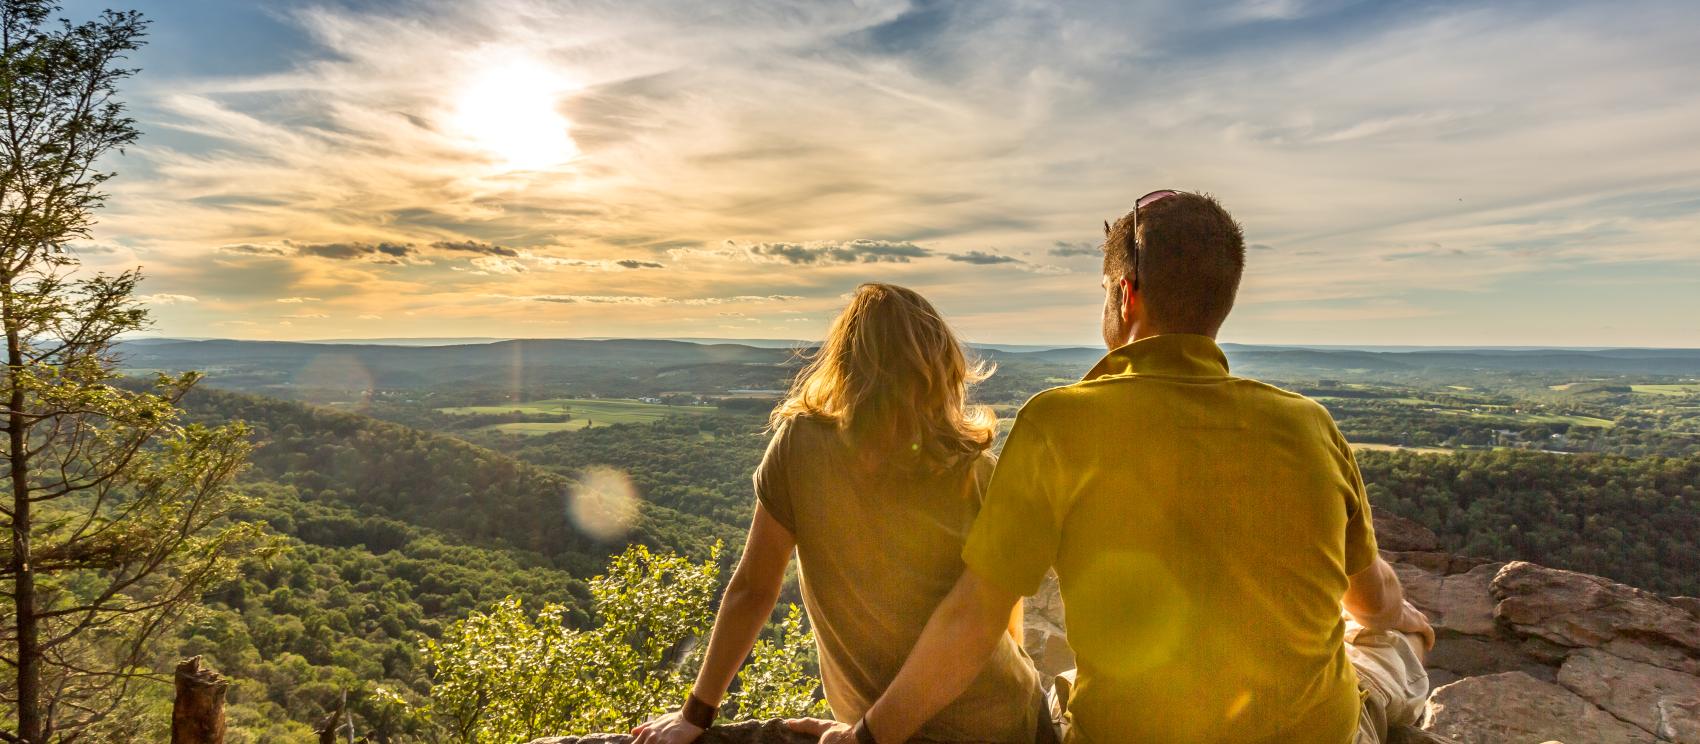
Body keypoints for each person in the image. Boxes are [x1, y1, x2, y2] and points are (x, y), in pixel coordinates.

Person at [791, 191, 1434, 744]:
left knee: (1068, 685)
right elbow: (1370, 601)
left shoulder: (1058, 424)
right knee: (1384, 645)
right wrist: (1397, 616)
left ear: (1126, 296)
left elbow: (974, 617)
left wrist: (871, 735)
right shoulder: (1310, 426)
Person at [632, 283, 1050, 744]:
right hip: (1004, 720)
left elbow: (753, 588)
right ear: (939, 368)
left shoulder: (800, 447)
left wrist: (696, 713)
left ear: (846, 364)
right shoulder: (973, 469)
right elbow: (997, 616)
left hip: (884, 732)